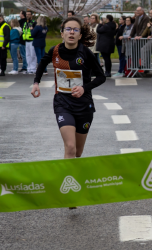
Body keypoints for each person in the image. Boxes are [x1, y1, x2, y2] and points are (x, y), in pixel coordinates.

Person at [30, 17, 107, 166]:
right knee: (70, 147)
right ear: (62, 33)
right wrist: (36, 83)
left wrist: (84, 88)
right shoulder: (55, 51)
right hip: (63, 104)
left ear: (80, 35)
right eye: (68, 29)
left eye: (75, 30)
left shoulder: (85, 53)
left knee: (77, 151)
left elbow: (101, 77)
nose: (71, 32)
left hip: (84, 106)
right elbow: (42, 63)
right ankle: (68, 185)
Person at [21, 10, 37, 74]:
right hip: (26, 41)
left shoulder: (34, 22)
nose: (27, 15)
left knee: (32, 55)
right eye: (27, 14)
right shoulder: (25, 23)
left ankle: (33, 68)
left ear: (31, 15)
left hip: (32, 41)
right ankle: (29, 68)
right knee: (27, 55)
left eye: (29, 14)